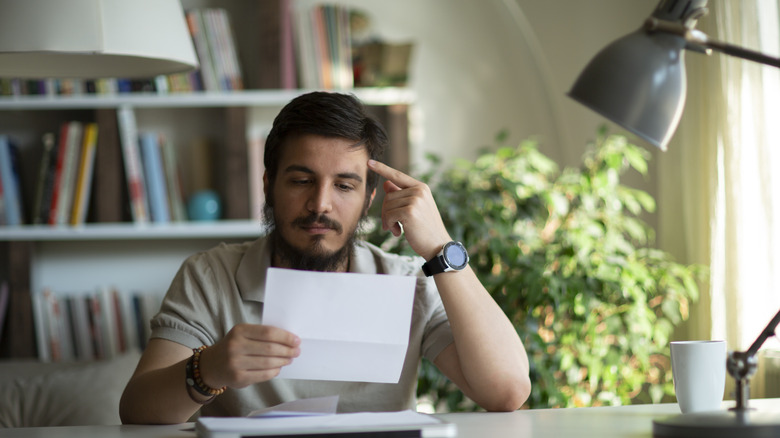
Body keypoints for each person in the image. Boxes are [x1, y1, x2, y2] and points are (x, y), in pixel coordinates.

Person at [119, 91, 530, 424]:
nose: (320, 204)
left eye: (345, 186)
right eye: (301, 180)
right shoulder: (209, 275)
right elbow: (137, 411)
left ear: (371, 197)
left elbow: (507, 390)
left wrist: (441, 248)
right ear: (268, 185)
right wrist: (208, 369)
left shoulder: (408, 283)